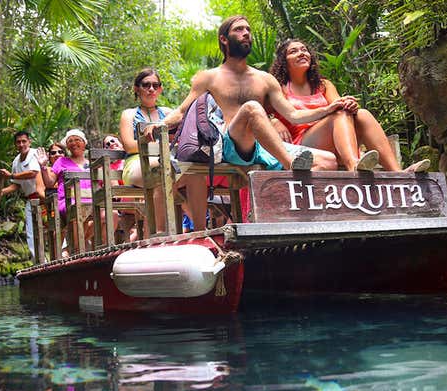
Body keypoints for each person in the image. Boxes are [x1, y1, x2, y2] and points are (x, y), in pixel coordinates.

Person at [142, 16, 338, 231]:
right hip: (228, 145)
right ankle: (291, 166)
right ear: (224, 39)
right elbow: (182, 110)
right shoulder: (209, 77)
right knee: (252, 108)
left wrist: (328, 109)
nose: (246, 33)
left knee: (328, 161)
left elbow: (293, 114)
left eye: (248, 29)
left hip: (264, 148)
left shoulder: (265, 79)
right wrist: (160, 124)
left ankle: (296, 221)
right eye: (239, 30)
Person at [268, 38, 430, 173]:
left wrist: (349, 104)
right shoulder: (278, 87)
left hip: (337, 140)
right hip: (305, 146)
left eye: (304, 49)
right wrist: (274, 121)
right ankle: (353, 165)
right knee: (339, 114)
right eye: (293, 51)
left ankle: (398, 173)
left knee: (362, 114)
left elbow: (338, 106)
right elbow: (259, 115)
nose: (302, 53)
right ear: (284, 61)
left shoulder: (324, 85)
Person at [119, 68, 185, 232]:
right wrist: (163, 142)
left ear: (161, 89)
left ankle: (159, 234)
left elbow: (182, 139)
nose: (151, 89)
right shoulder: (129, 114)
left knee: (173, 174)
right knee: (163, 169)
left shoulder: (169, 113)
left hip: (168, 163)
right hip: (136, 164)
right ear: (136, 88)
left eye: (156, 85)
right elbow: (129, 145)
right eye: (146, 85)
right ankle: (160, 233)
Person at [0, 130, 43, 259]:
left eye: (24, 141)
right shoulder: (16, 162)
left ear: (29, 142)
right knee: (31, 232)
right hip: (30, 199)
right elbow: (17, 184)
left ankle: (60, 256)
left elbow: (33, 173)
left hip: (44, 197)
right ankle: (37, 260)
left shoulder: (34, 154)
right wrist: (1, 191)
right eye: (18, 142)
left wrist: (11, 175)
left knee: (50, 228)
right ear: (15, 145)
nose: (21, 144)